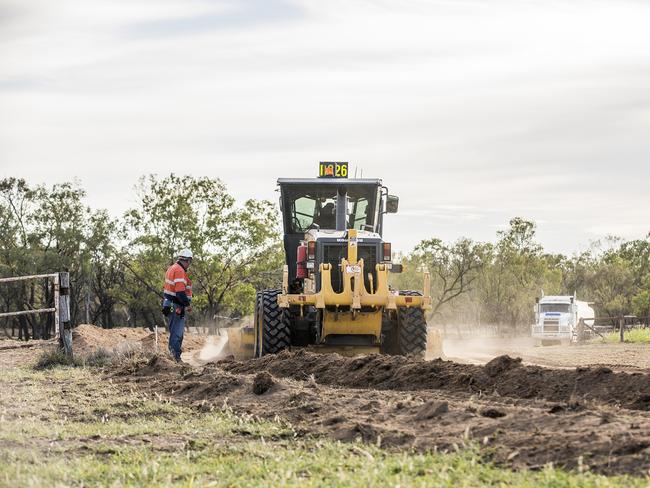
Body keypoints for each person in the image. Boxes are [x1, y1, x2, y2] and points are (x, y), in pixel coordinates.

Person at [162, 248, 193, 362]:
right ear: (188, 260)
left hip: (169, 304)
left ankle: (173, 357)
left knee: (174, 331)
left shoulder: (172, 268)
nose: (189, 265)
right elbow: (180, 292)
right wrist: (187, 304)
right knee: (177, 333)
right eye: (190, 262)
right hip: (175, 305)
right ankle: (175, 358)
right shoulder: (179, 270)